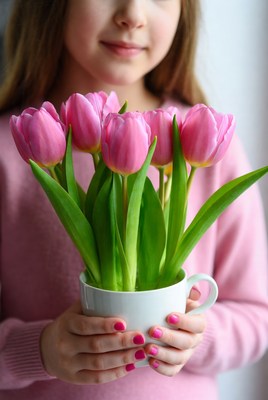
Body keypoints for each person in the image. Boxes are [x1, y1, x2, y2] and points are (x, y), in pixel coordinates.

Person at [0, 1, 267, 399]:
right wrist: (41, 350)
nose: (133, 14)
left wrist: (196, 336)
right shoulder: (10, 153)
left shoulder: (205, 141)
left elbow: (257, 318)